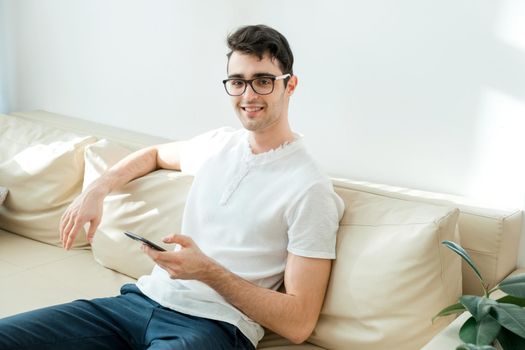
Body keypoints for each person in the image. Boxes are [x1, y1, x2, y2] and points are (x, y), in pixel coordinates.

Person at [0, 24, 344, 350]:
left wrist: (208, 272)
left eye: (263, 81)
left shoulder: (309, 187)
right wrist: (97, 190)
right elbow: (153, 155)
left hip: (215, 325)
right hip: (139, 302)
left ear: (290, 85)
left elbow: (299, 323)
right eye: (237, 82)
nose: (248, 94)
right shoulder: (218, 145)